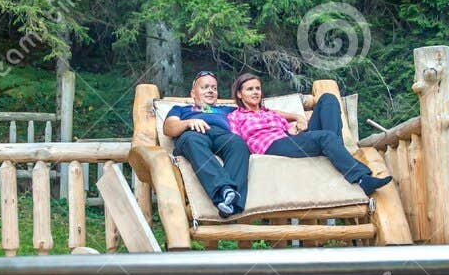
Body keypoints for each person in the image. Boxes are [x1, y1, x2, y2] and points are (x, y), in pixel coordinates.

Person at [227, 72, 392, 195]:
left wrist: (299, 121)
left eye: (258, 88)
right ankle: (362, 178)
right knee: (326, 137)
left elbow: (290, 128)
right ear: (240, 94)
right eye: (250, 89)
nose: (256, 92)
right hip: (271, 146)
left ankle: (336, 149)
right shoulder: (235, 116)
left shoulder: (269, 113)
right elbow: (235, 142)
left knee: (328, 98)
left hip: (289, 139)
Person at [163, 71, 249, 217]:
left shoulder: (227, 110)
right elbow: (168, 128)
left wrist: (295, 118)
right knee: (192, 141)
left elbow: (259, 112)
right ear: (193, 93)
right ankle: (224, 190)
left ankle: (230, 203)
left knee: (238, 143)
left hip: (222, 135)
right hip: (193, 133)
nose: (211, 90)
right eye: (205, 87)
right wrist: (189, 122)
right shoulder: (181, 109)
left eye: (214, 88)